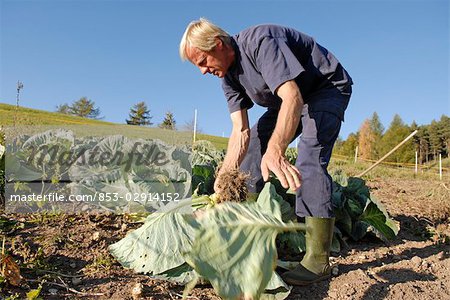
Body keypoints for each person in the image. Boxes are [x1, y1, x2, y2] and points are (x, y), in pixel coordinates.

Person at [179, 18, 352, 285]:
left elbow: (292, 96)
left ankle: (318, 261)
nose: (202, 71)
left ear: (217, 44)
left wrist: (277, 149)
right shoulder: (227, 76)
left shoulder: (261, 42)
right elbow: (241, 131)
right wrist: (225, 176)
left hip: (324, 89)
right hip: (288, 101)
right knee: (252, 154)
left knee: (309, 158)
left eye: (202, 62)